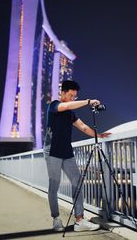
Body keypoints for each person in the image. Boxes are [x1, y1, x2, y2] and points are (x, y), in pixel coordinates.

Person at [43, 80, 111, 232]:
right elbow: (65, 106)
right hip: (52, 150)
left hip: (66, 150)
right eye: (71, 95)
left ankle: (79, 220)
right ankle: (56, 219)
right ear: (63, 92)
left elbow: (83, 127)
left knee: (77, 182)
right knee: (54, 185)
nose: (73, 99)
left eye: (75, 96)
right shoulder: (54, 105)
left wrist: (98, 135)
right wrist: (88, 101)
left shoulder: (70, 113)